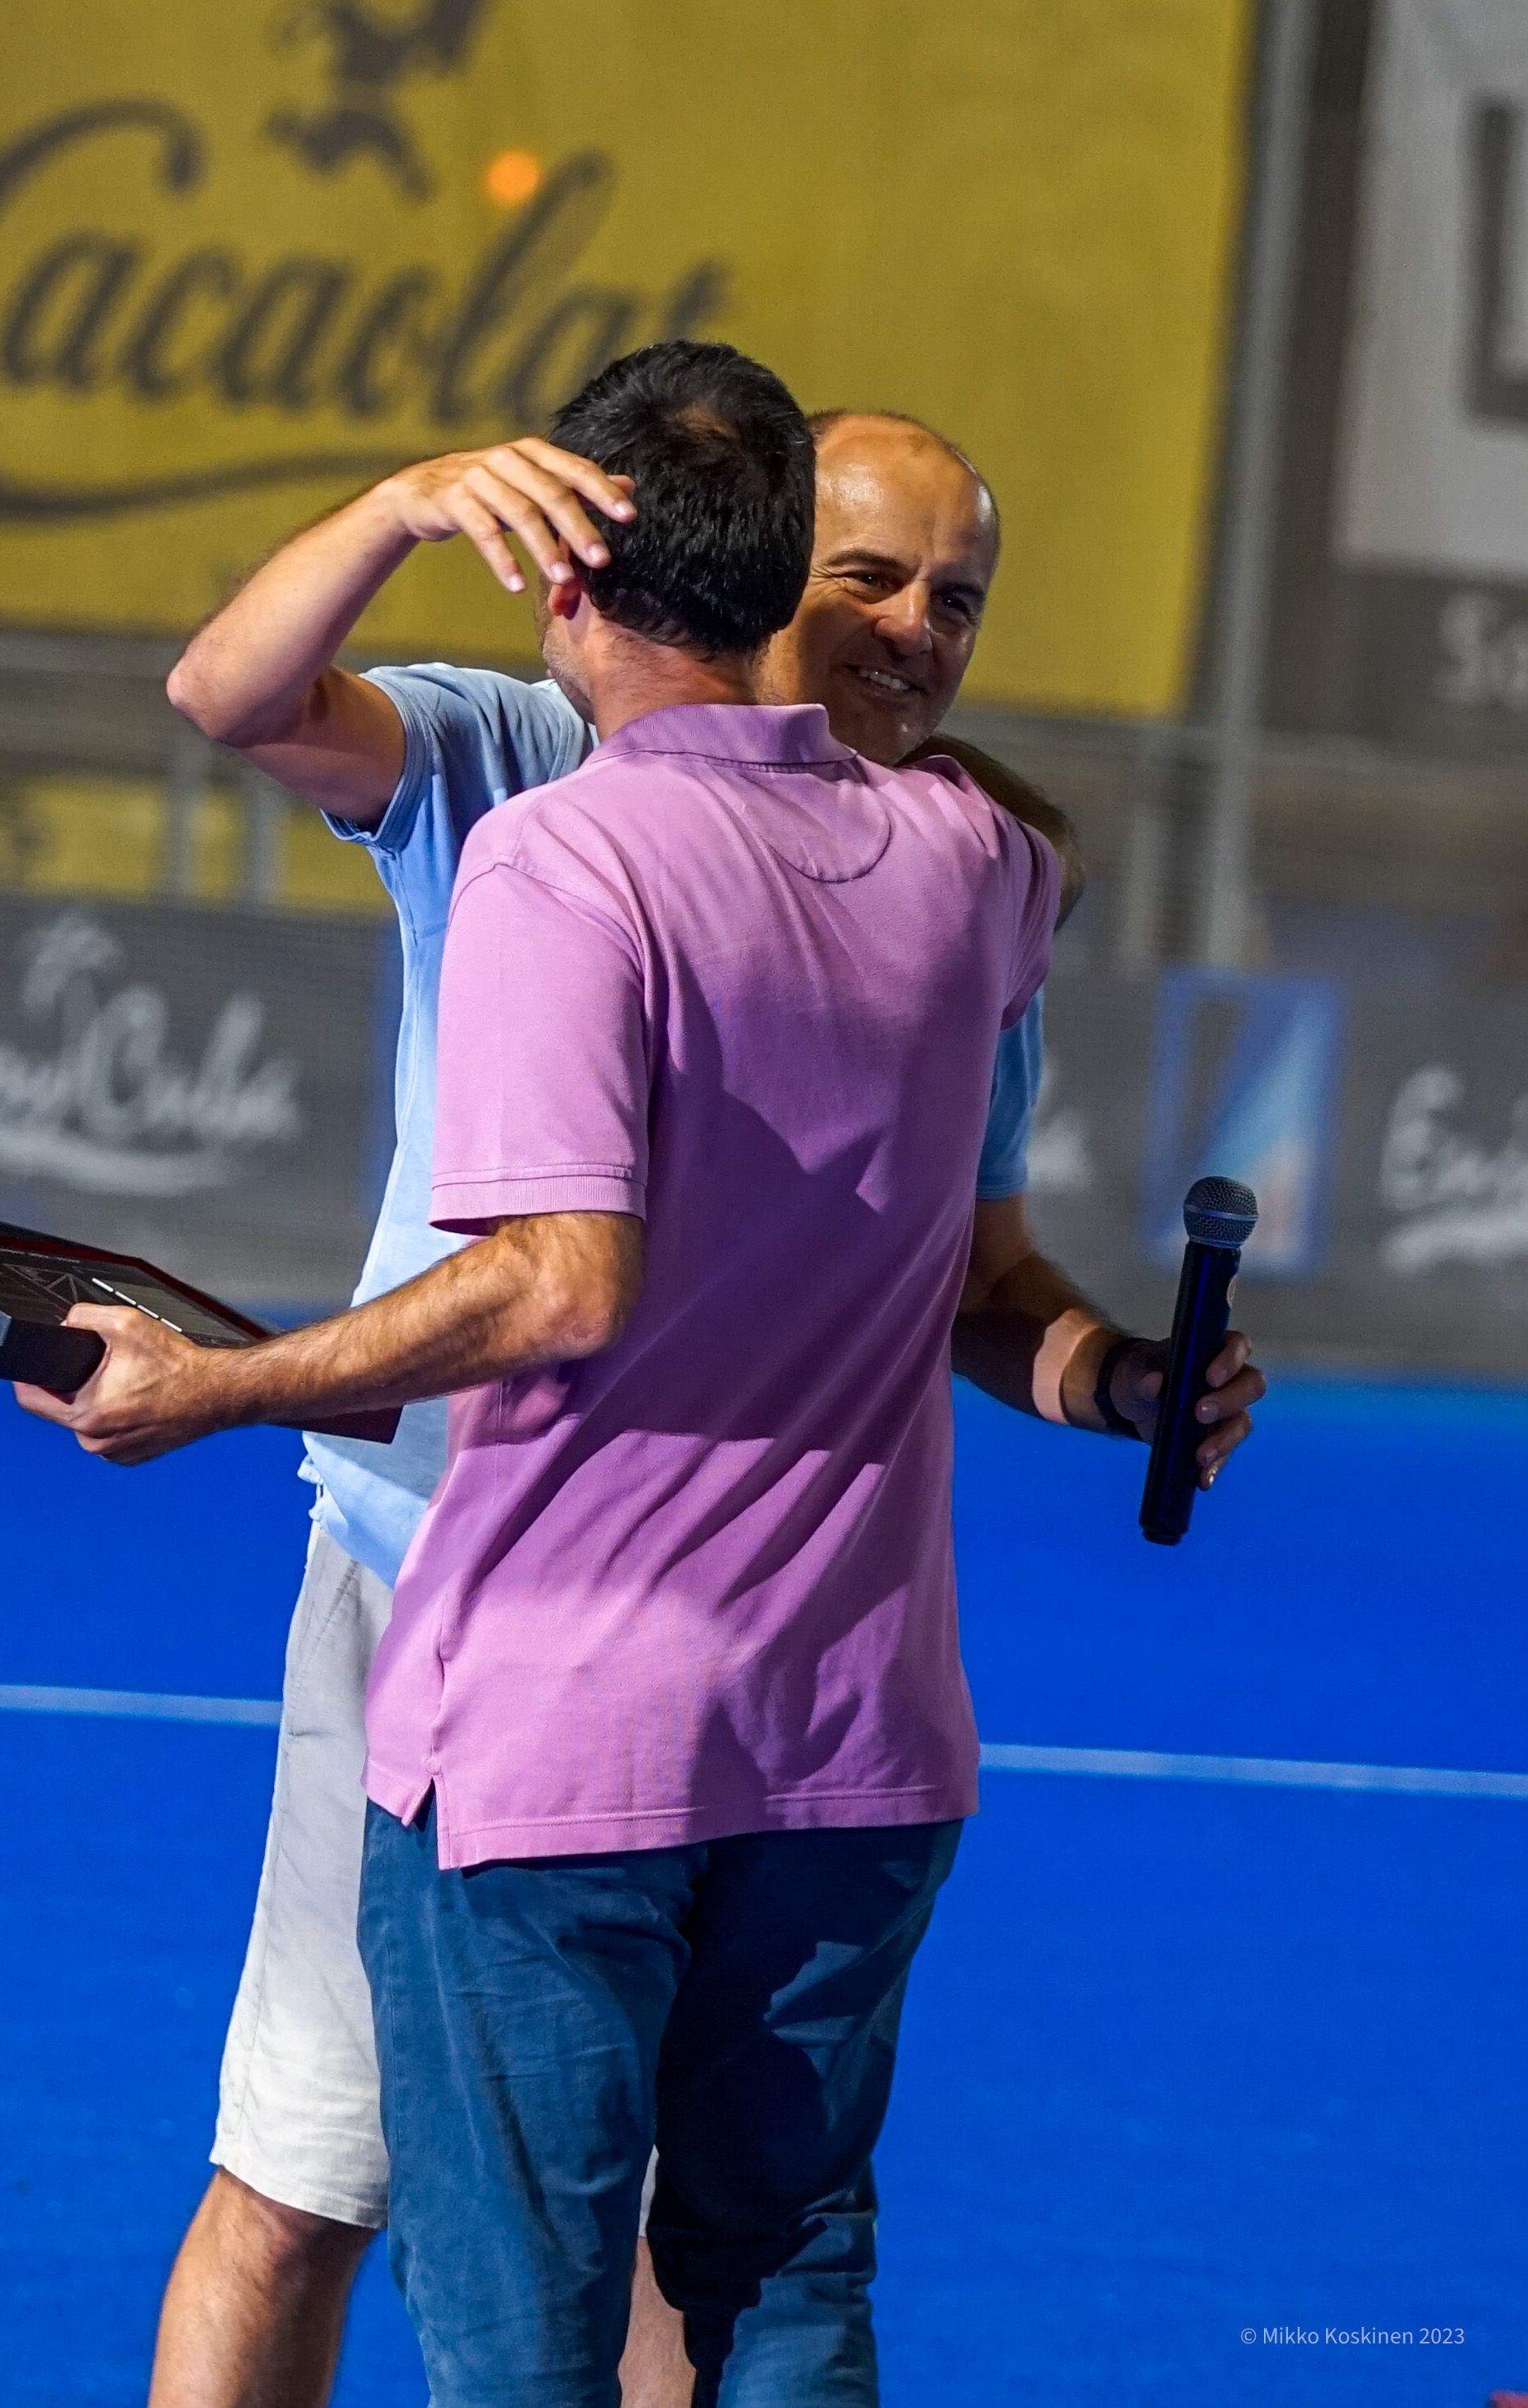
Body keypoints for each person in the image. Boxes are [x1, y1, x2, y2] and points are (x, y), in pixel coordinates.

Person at [115, 394, 1263, 2403]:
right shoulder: (563, 775)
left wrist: (1118, 1379)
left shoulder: (940, 872)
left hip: (597, 1675)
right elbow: (230, 690)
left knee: (578, 2284)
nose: (918, 631)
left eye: (962, 601)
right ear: (745, 579)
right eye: (873, 579)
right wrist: (400, 503)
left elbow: (957, 1282)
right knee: (316, 2185)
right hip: (445, 1596)